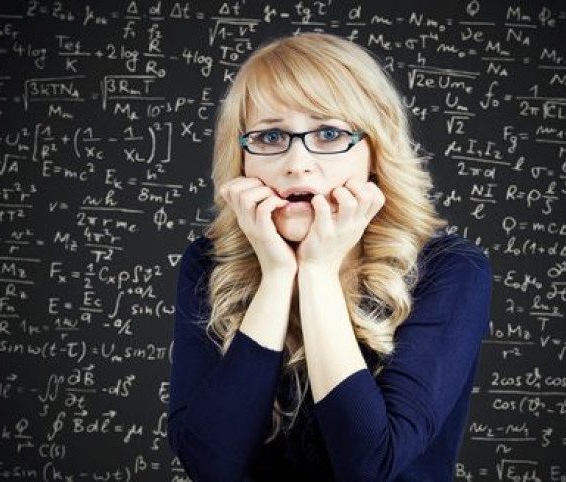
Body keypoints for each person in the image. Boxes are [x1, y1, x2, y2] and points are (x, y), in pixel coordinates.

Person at [167, 32, 493, 481]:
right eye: (270, 136)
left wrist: (318, 274)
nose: (297, 163)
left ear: (374, 153)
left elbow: (368, 467)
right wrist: (278, 275)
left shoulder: (448, 269)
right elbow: (210, 467)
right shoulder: (208, 264)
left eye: (328, 133)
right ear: (241, 157)